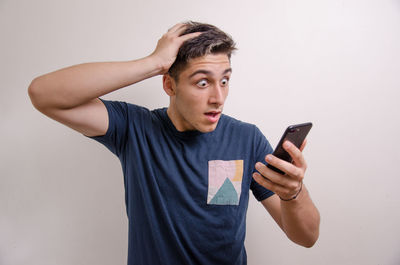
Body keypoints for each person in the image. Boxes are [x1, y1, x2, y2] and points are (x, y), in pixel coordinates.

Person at [28, 21, 320, 265]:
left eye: (225, 80)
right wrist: (153, 63)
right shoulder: (135, 128)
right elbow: (43, 94)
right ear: (169, 84)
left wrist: (293, 193)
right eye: (202, 82)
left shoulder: (246, 138)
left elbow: (306, 237)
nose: (218, 97)